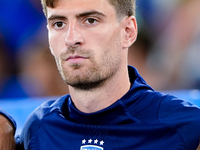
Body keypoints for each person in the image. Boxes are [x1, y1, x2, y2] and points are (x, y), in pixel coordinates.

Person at [1, 0, 200, 149]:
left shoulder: (187, 128)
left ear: (128, 32)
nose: (71, 39)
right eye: (59, 24)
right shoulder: (38, 129)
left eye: (90, 20)